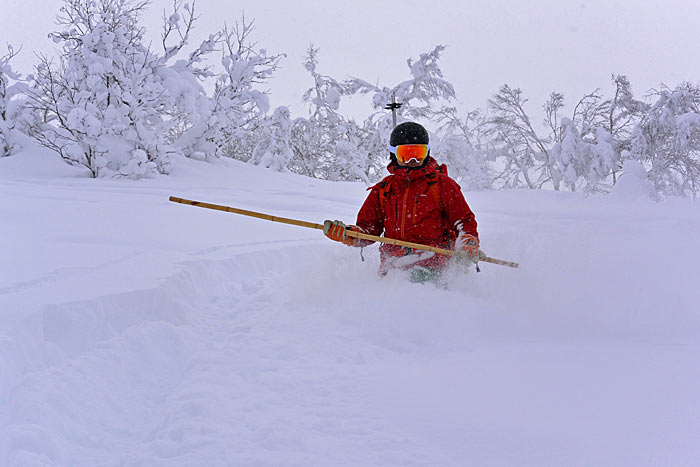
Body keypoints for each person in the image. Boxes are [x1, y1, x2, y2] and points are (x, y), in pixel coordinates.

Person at [324, 121, 480, 283]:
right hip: (393, 272)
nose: (413, 160)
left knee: (419, 282)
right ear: (394, 155)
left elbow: (464, 221)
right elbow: (369, 230)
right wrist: (348, 234)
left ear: (427, 153)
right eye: (406, 154)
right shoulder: (384, 189)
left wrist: (468, 243)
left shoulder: (442, 185)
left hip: (434, 268)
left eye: (418, 153)